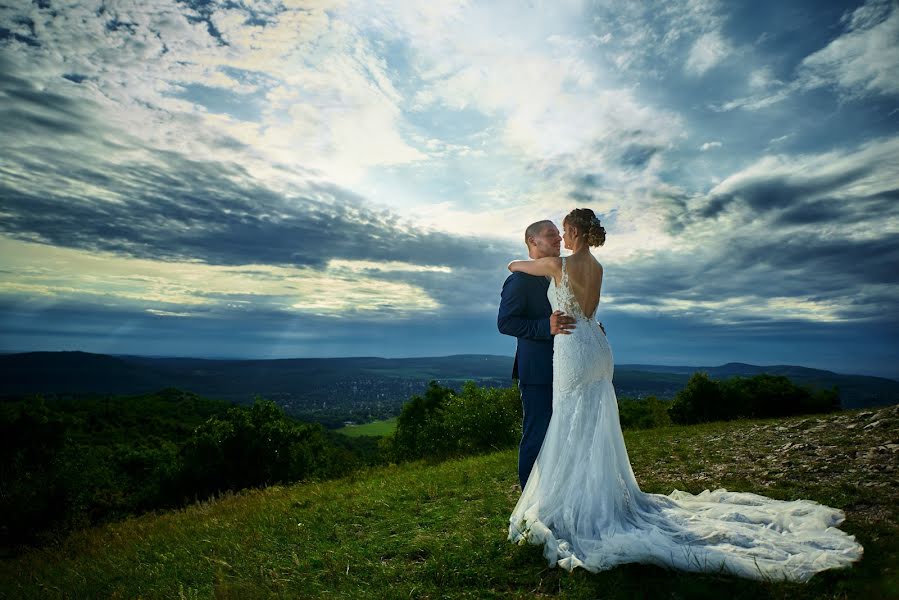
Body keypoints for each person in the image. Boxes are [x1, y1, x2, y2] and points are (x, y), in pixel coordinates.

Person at [505, 208, 863, 582]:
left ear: (575, 231)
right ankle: (593, 497)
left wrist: (533, 260)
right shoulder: (596, 265)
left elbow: (515, 264)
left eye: (563, 230)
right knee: (594, 421)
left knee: (569, 419)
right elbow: (589, 311)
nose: (560, 237)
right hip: (597, 345)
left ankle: (569, 505)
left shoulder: (558, 265)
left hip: (572, 348)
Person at [497, 220, 577, 490]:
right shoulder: (519, 280)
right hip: (538, 370)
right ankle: (529, 501)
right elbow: (505, 323)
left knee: (563, 433)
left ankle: (557, 491)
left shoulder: (558, 274)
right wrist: (546, 326)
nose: (558, 239)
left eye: (558, 234)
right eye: (550, 235)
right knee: (537, 434)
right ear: (532, 241)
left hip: (567, 365)